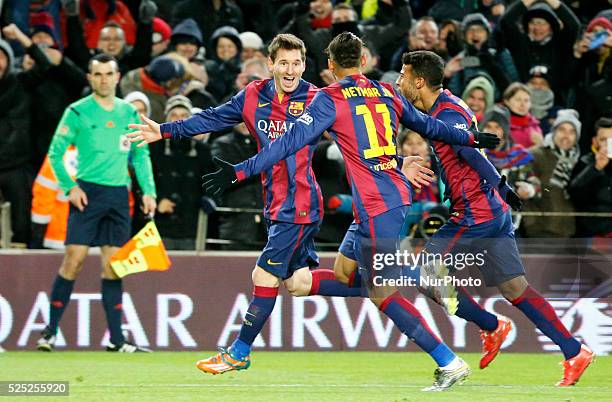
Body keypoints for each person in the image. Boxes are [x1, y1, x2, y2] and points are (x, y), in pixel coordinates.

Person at [188, 33, 502, 391]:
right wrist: (472, 138)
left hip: (376, 204)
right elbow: (430, 127)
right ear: (364, 60)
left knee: (383, 294)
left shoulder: (328, 98)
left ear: (330, 66)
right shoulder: (386, 91)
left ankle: (449, 362)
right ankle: (404, 274)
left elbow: (287, 144)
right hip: (391, 196)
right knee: (332, 274)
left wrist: (239, 171)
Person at [127, 33, 368, 371]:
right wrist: (165, 130)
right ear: (270, 64)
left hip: (299, 203)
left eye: (296, 63)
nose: (290, 70)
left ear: (303, 66)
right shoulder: (253, 95)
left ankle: (239, 352)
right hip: (273, 204)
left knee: (263, 275)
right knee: (298, 284)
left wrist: (396, 163)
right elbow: (211, 118)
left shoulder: (318, 99)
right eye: (283, 62)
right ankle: (377, 288)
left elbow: (357, 140)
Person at [396, 51, 594, 386]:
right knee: (515, 288)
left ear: (418, 81)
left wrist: (501, 184)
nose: (398, 82)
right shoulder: (448, 104)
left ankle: (491, 325)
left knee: (428, 274)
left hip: (475, 213)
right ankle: (574, 350)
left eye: (403, 76)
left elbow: (471, 151)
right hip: (492, 211)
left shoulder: (445, 113)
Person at [37, 54, 157, 353]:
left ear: (118, 77)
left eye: (108, 73)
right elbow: (55, 153)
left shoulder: (129, 113)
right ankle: (49, 332)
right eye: (98, 74)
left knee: (114, 268)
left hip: (118, 196)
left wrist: (149, 191)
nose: (103, 79)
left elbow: (141, 155)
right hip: (87, 194)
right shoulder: (77, 112)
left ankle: (116, 340)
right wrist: (70, 187)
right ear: (90, 78)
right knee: (73, 261)